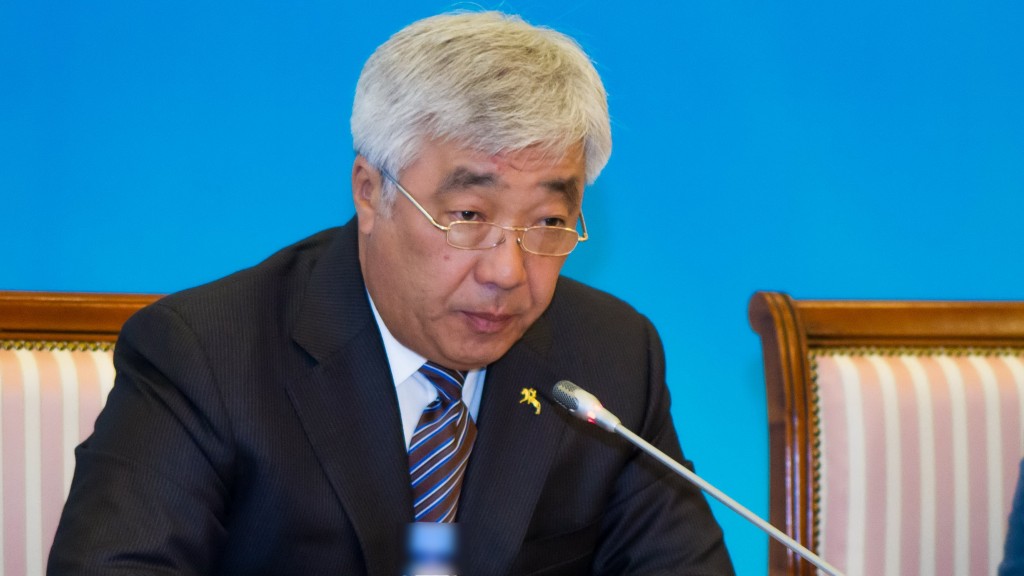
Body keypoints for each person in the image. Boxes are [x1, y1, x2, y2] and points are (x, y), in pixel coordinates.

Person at [47, 11, 734, 575]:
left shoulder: (611, 358)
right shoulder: (207, 355)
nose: (507, 271)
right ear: (370, 191)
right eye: (469, 215)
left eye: (549, 223)